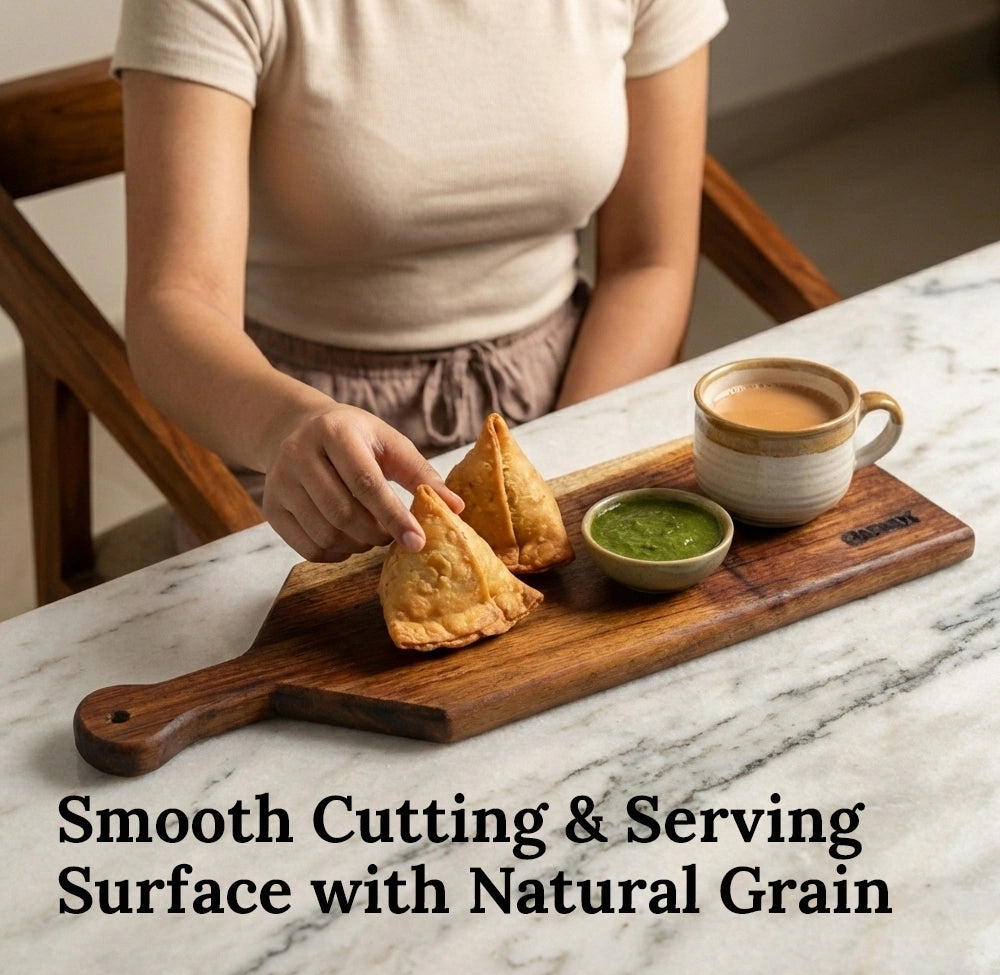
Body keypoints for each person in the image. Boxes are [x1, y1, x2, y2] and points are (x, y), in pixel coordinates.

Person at [112, 0, 728, 563]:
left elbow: (650, 263)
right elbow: (176, 301)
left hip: (580, 380)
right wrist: (285, 428)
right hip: (299, 429)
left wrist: (562, 453)